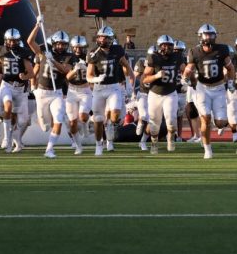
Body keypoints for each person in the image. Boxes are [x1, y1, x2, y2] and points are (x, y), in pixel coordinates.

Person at [183, 24, 233, 159]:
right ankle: (207, 149)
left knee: (220, 123)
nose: (209, 37)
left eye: (211, 35)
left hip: (219, 88)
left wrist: (231, 82)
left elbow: (230, 68)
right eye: (206, 35)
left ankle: (225, 121)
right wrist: (186, 78)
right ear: (200, 36)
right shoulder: (194, 51)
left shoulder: (222, 49)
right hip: (202, 89)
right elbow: (188, 69)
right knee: (205, 118)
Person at [86, 26, 134, 156]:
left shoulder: (117, 50)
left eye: (105, 37)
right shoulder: (93, 53)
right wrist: (96, 78)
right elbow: (88, 76)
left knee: (115, 114)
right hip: (99, 89)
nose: (102, 39)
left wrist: (130, 84)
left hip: (114, 87)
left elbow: (127, 67)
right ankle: (98, 145)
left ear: (110, 39)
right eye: (100, 37)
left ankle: (111, 126)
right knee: (98, 119)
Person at [27, 25, 73, 158]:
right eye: (59, 44)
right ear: (53, 43)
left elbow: (65, 70)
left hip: (56, 92)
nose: (61, 47)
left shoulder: (68, 56)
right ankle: (43, 125)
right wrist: (36, 26)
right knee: (45, 124)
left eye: (64, 44)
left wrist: (52, 60)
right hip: (42, 93)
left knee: (58, 119)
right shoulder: (44, 50)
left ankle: (49, 149)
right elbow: (30, 42)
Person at [0, 28, 34, 153]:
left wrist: (25, 76)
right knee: (8, 107)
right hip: (7, 85)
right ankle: (7, 139)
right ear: (6, 40)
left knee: (19, 120)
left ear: (18, 41)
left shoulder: (23, 53)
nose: (11, 43)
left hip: (20, 89)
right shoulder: (1, 51)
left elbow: (31, 73)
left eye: (14, 41)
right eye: (10, 41)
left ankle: (14, 140)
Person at [142, 36, 184, 154]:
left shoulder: (177, 57)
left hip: (170, 93)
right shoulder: (154, 58)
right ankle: (154, 143)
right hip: (155, 94)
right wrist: (156, 76)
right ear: (160, 46)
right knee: (154, 123)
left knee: (171, 120)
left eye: (170, 45)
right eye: (164, 45)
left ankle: (170, 137)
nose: (168, 47)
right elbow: (144, 79)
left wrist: (187, 79)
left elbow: (184, 70)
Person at [64, 35, 91, 155]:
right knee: (72, 122)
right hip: (72, 91)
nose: (78, 50)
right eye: (76, 48)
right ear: (72, 48)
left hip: (85, 90)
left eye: (80, 48)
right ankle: (78, 146)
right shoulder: (70, 58)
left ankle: (85, 124)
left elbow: (94, 74)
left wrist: (86, 68)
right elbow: (68, 77)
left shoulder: (89, 57)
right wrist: (75, 70)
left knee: (83, 117)